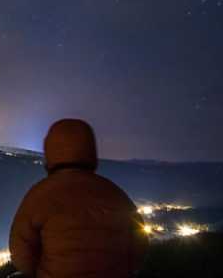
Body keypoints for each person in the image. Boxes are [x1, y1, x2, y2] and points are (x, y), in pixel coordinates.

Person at [9, 119, 148, 277]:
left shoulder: (38, 195)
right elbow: (140, 245)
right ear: (91, 151)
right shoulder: (115, 193)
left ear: (50, 152)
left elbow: (20, 252)